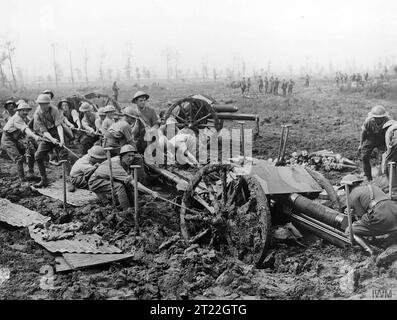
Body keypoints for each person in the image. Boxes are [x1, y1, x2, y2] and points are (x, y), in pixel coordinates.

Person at [88, 144, 151, 209]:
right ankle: (127, 210)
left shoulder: (123, 162)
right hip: (95, 182)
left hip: (105, 179)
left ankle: (132, 204)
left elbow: (129, 180)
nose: (131, 158)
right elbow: (134, 183)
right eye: (128, 156)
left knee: (126, 183)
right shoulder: (115, 164)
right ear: (122, 156)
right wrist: (151, 192)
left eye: (132, 156)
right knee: (119, 186)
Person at [32, 94, 72, 188]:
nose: (44, 106)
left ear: (49, 104)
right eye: (42, 104)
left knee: (63, 156)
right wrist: (52, 139)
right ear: (39, 104)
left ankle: (70, 180)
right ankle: (44, 179)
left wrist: (61, 140)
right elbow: (44, 131)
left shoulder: (54, 110)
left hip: (58, 133)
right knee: (38, 156)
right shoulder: (37, 114)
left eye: (46, 104)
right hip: (47, 136)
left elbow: (59, 126)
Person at [1, 102, 41, 182]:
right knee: (19, 158)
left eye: (27, 110)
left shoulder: (24, 117)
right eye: (23, 110)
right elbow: (25, 129)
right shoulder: (17, 118)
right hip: (7, 140)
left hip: (16, 138)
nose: (25, 112)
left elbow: (32, 127)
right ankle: (22, 179)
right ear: (18, 111)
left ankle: (31, 173)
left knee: (31, 150)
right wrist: (35, 137)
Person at [358, 105, 391, 181]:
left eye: (380, 118)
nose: (377, 119)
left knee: (384, 158)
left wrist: (389, 145)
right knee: (364, 157)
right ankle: (369, 178)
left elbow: (391, 133)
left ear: (384, 117)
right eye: (376, 118)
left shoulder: (388, 121)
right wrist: (361, 144)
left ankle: (383, 175)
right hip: (371, 138)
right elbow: (363, 132)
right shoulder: (369, 121)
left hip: (383, 140)